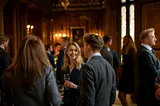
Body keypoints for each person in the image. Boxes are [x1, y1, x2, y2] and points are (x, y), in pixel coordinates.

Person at [2, 35, 62, 106]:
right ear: (41, 52)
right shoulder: (46, 70)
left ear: (20, 52)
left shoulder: (9, 73)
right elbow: (56, 102)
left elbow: (7, 101)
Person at [77, 33, 116, 106]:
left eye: (84, 45)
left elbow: (88, 100)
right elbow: (112, 97)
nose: (83, 49)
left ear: (88, 46)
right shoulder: (109, 67)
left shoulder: (88, 67)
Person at [136, 28, 160, 106]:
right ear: (146, 39)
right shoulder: (144, 53)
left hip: (149, 89)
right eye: (153, 37)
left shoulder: (148, 51)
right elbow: (154, 72)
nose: (155, 39)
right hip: (146, 91)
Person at [62, 41, 83, 106]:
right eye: (71, 50)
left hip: (78, 102)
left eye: (75, 50)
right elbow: (64, 85)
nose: (73, 53)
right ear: (67, 52)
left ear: (78, 52)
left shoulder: (82, 67)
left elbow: (87, 89)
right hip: (67, 101)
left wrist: (75, 86)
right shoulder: (65, 68)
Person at [118, 35, 137, 106]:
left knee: (127, 95)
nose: (124, 41)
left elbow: (135, 63)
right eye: (123, 39)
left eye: (125, 39)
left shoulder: (131, 49)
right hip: (125, 73)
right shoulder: (125, 49)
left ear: (129, 41)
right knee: (122, 95)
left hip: (129, 74)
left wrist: (124, 65)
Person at [0, 34, 12, 105]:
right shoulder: (5, 54)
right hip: (3, 82)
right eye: (7, 42)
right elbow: (7, 70)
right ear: (4, 42)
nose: (7, 43)